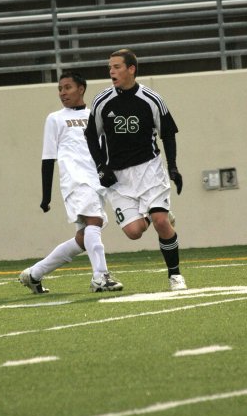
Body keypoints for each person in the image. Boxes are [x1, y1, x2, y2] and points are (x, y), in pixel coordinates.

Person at [84, 48, 187, 291]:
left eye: (117, 66)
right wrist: (101, 167)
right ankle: (154, 212)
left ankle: (175, 275)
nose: (111, 71)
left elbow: (168, 134)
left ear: (131, 69)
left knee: (161, 222)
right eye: (110, 67)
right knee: (134, 232)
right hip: (119, 178)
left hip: (149, 170)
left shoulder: (151, 99)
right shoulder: (102, 101)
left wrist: (173, 168)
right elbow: (90, 136)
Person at [19, 70, 123, 294]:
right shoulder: (55, 118)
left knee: (83, 237)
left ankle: (34, 274)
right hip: (75, 181)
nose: (62, 93)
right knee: (94, 222)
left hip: (97, 181)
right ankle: (100, 277)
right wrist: (46, 196)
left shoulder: (95, 115)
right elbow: (48, 158)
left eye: (67, 88)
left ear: (81, 89)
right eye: (60, 89)